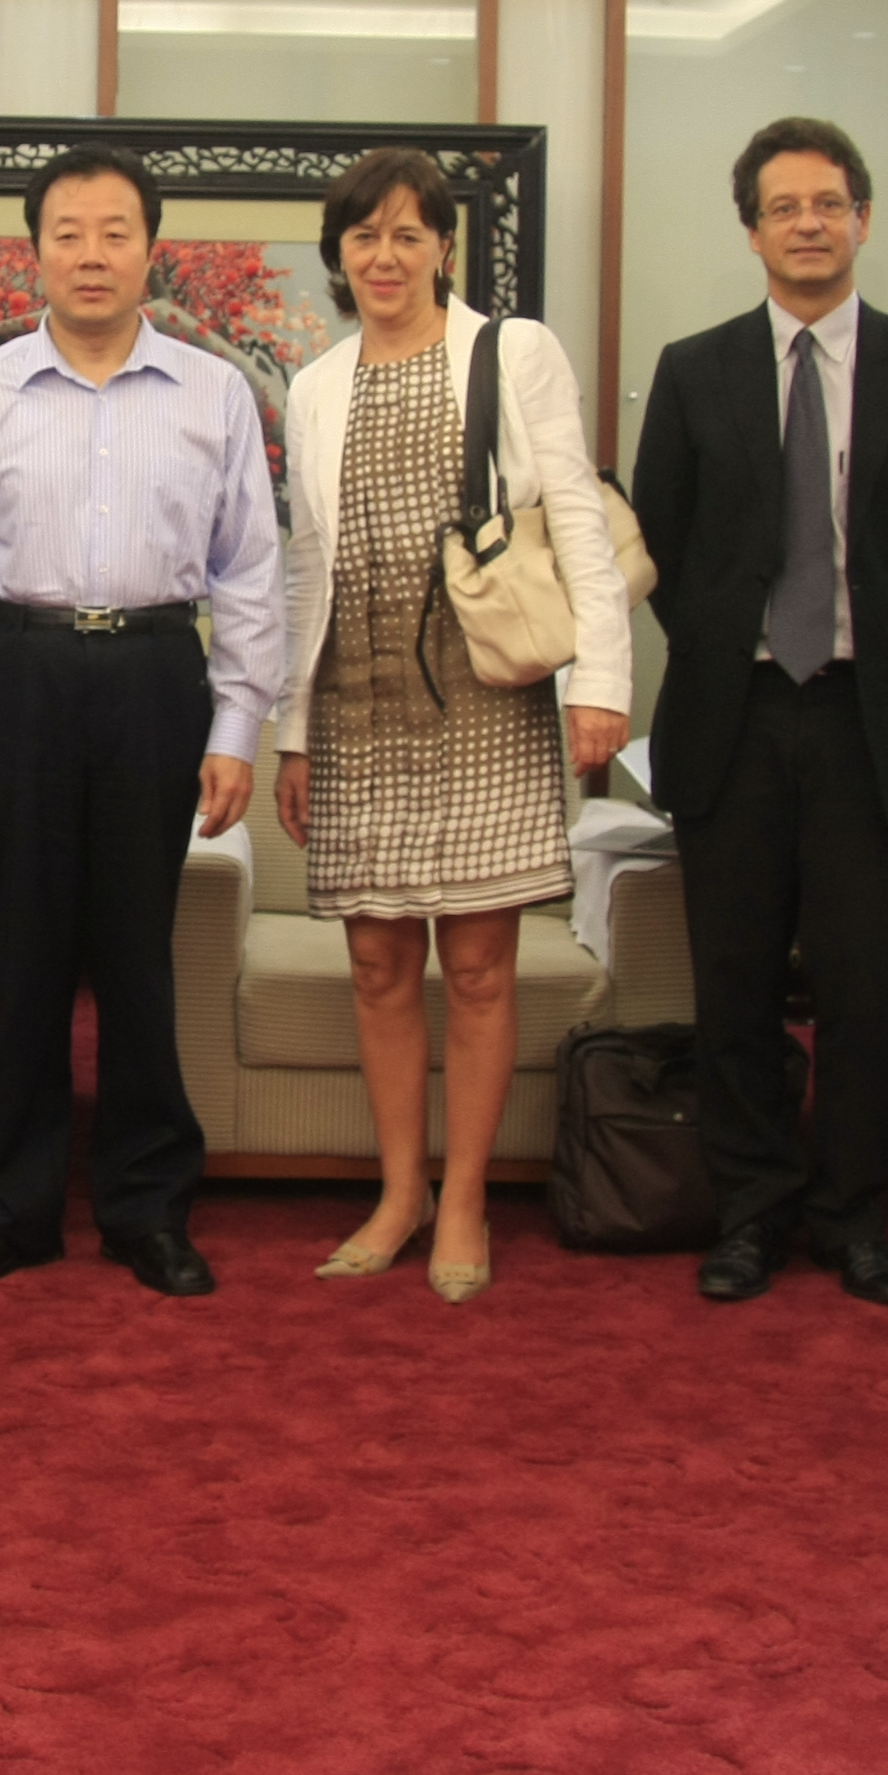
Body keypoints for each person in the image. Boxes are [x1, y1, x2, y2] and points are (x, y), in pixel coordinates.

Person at [0, 145, 285, 1297]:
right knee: (26, 958)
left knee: (136, 956)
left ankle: (146, 1205)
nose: (90, 253)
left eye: (114, 232)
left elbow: (251, 573)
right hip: (19, 671)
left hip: (155, 674)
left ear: (149, 249)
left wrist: (235, 731)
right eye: (67, 233)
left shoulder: (213, 392)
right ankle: (15, 1207)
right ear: (35, 252)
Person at [636, 115, 888, 1311]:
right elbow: (663, 542)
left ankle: (852, 1218)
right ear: (751, 231)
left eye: (828, 204)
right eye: (783, 208)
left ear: (864, 220)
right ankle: (751, 1212)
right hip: (732, 717)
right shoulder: (694, 369)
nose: (808, 225)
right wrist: (728, 637)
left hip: (866, 718)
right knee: (734, 987)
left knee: (864, 992)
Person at [274, 145, 630, 1303]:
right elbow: (308, 565)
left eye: (407, 234)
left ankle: (465, 1197)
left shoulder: (510, 352)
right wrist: (292, 730)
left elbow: (575, 517)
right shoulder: (315, 384)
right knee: (377, 960)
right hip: (357, 697)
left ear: (443, 247)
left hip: (485, 691)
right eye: (364, 236)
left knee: (477, 967)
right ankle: (401, 1194)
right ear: (339, 254)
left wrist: (601, 683)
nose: (385, 256)